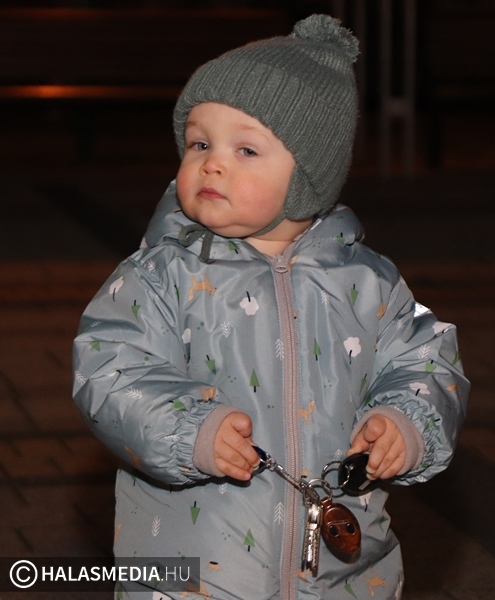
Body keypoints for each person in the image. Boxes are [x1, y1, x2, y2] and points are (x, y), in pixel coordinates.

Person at [72, 14, 469, 599]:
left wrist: (406, 423)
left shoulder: (370, 281)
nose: (212, 162)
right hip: (196, 572)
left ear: (308, 177)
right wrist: (189, 429)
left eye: (246, 149)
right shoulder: (161, 274)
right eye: (200, 143)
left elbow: (429, 363)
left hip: (344, 575)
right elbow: (109, 370)